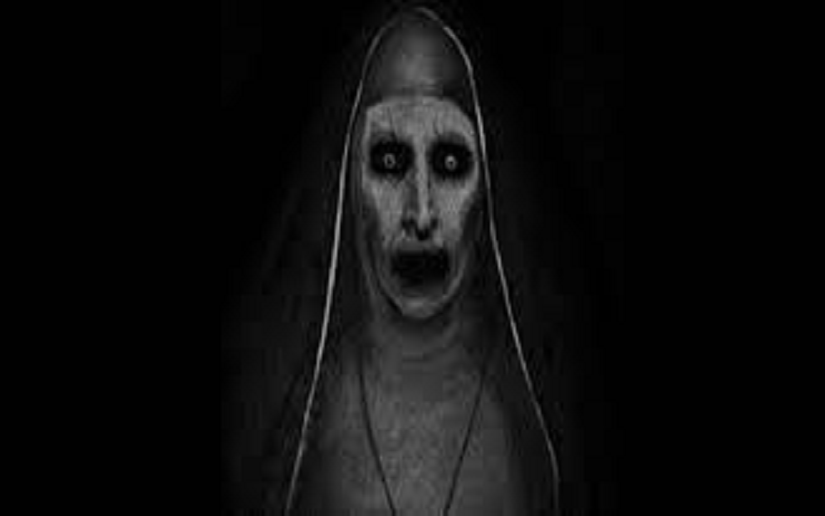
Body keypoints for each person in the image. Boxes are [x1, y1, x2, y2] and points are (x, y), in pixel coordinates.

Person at [222, 6, 565, 515]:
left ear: (488, 188)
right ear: (349, 184)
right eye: (388, 159)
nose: (420, 213)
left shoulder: (530, 424)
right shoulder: (297, 423)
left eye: (450, 162)